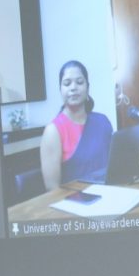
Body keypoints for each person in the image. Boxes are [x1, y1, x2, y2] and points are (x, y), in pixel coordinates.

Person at [39, 59, 113, 189]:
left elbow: (113, 166)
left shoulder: (102, 121)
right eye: (67, 83)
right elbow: (52, 189)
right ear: (60, 89)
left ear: (87, 87)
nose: (73, 88)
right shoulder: (53, 131)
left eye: (79, 82)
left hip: (109, 193)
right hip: (74, 199)